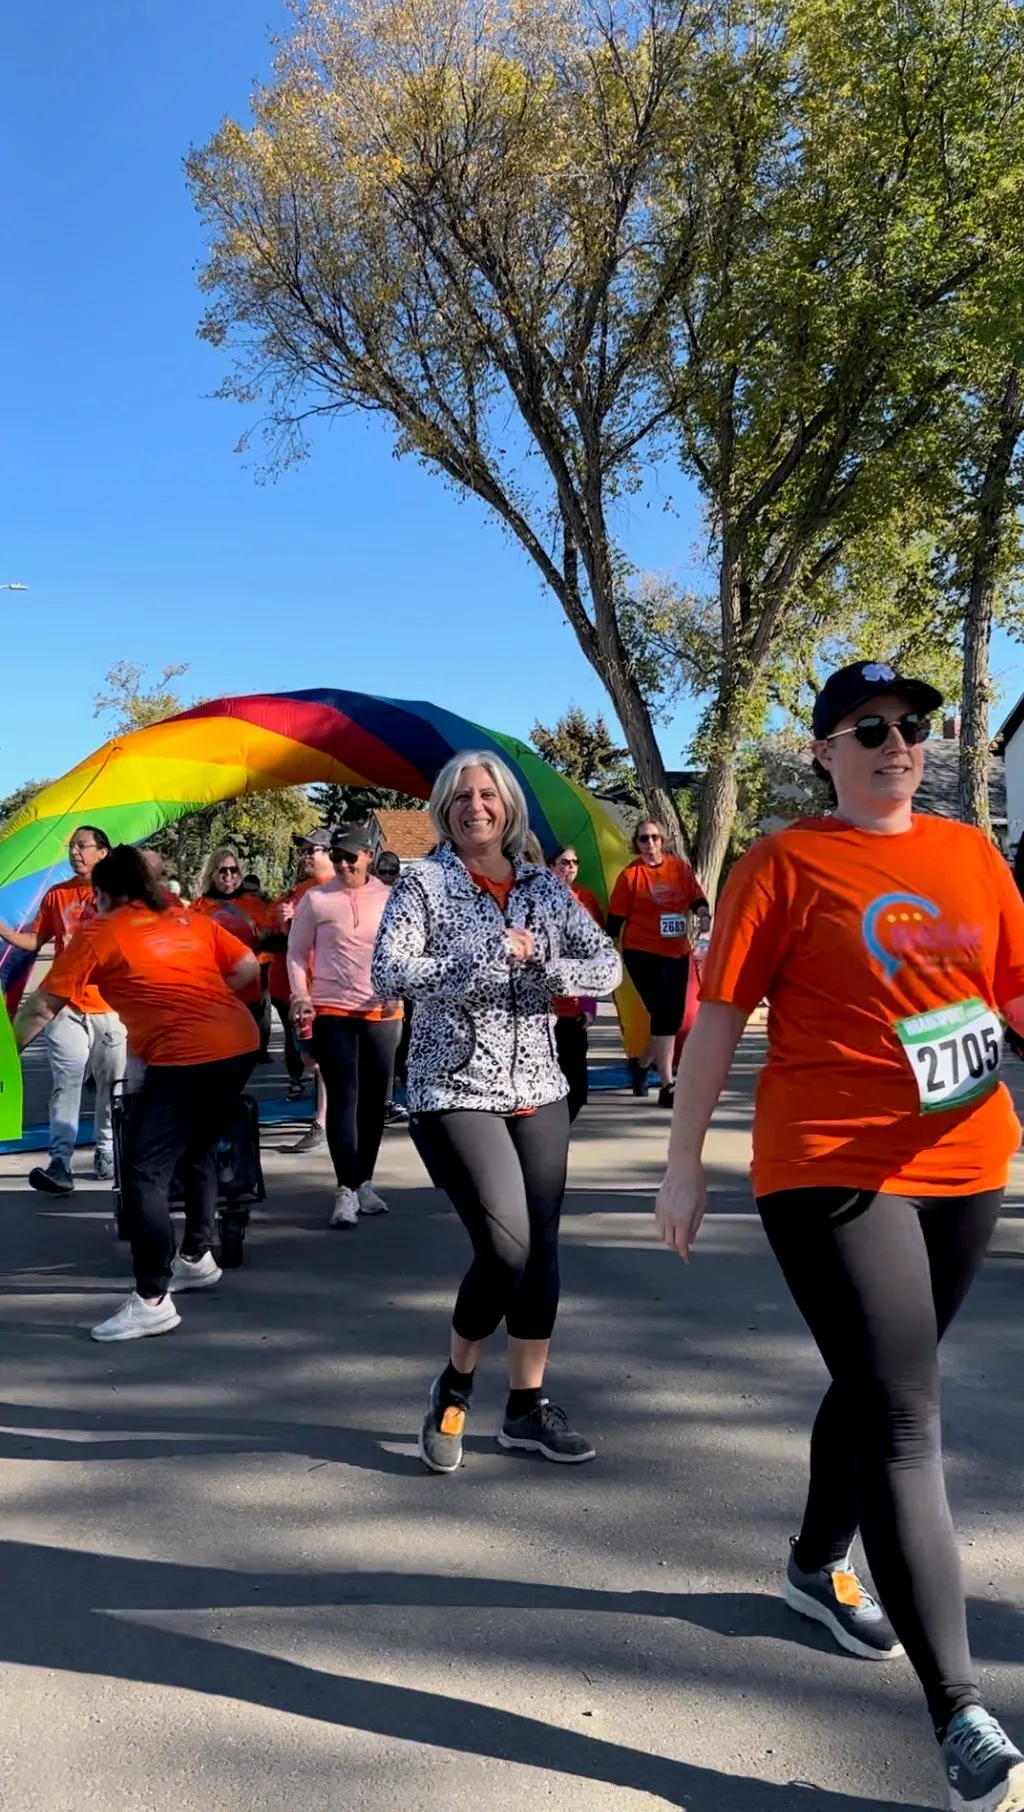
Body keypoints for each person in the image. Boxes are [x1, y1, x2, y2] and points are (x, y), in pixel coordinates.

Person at [655, 660, 1024, 1812]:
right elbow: (718, 1015)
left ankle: (816, 1563)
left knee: (875, 1383)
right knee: (904, 1418)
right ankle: (960, 1711)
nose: (895, 741)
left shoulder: (969, 852)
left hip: (966, 1163)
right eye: (867, 727)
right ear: (821, 750)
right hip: (829, 1166)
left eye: (913, 726)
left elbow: (1011, 995)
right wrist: (681, 1159)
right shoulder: (787, 861)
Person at [371, 753, 621, 1474]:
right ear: (444, 809)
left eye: (487, 795)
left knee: (541, 1251)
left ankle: (526, 1407)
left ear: (508, 807)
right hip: (454, 1088)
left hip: (540, 1087)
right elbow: (389, 973)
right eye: (460, 796)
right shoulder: (424, 881)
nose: (474, 806)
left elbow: (604, 965)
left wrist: (547, 965)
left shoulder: (543, 886)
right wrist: (486, 954)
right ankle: (454, 1385)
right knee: (505, 1247)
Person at [12, 846, 260, 1342]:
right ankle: (196, 1255)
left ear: (103, 893)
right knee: (196, 1148)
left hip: (186, 1057)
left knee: (145, 1171)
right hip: (240, 1044)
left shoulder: (99, 931)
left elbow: (43, 1006)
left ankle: (152, 1299)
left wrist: (6, 1053)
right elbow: (249, 967)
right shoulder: (184, 919)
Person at [0, 824, 127, 1192]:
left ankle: (107, 1150)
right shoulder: (56, 896)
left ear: (102, 852)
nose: (75, 853)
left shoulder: (118, 895)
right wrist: (5, 931)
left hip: (111, 1006)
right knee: (65, 1084)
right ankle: (60, 1163)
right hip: (65, 1004)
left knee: (111, 1087)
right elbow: (36, 940)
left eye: (83, 846)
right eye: (71, 847)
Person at [287, 825, 400, 1227]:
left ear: (368, 855)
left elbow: (405, 950)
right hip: (332, 1007)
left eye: (350, 856)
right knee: (344, 1097)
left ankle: (364, 1182)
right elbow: (297, 954)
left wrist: (399, 988)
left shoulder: (390, 898)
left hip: (382, 1011)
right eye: (337, 857)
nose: (343, 863)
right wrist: (301, 995)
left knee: (374, 1103)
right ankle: (345, 1189)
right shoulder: (317, 899)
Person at [607, 821, 709, 1107]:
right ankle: (667, 1084)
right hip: (642, 952)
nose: (649, 843)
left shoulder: (678, 869)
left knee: (669, 1019)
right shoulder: (631, 876)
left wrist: (703, 914)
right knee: (664, 1016)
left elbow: (697, 898)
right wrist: (606, 950)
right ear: (636, 844)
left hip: (677, 952)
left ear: (662, 840)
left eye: (654, 838)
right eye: (643, 839)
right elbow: (615, 919)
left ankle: (641, 1065)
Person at [270, 832, 335, 1123]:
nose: (306, 855)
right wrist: (287, 924)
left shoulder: (343, 888)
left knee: (325, 1060)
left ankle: (323, 1122)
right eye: (303, 850)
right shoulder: (299, 891)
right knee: (309, 1056)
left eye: (313, 849)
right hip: (301, 990)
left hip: (334, 989)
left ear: (330, 852)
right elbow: (291, 944)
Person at [191, 846, 275, 1059]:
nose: (229, 876)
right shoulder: (198, 908)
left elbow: (274, 941)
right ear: (212, 874)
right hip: (214, 991)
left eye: (233, 870)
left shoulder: (255, 906)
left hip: (249, 991)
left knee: (246, 1052)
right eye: (222, 871)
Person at [547, 846, 606, 1121]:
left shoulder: (587, 898)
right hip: (544, 1006)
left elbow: (595, 953)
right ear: (550, 866)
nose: (570, 866)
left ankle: (561, 1123)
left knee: (577, 1085)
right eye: (564, 862)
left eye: (574, 862)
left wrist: (589, 1001)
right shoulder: (538, 897)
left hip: (574, 1002)